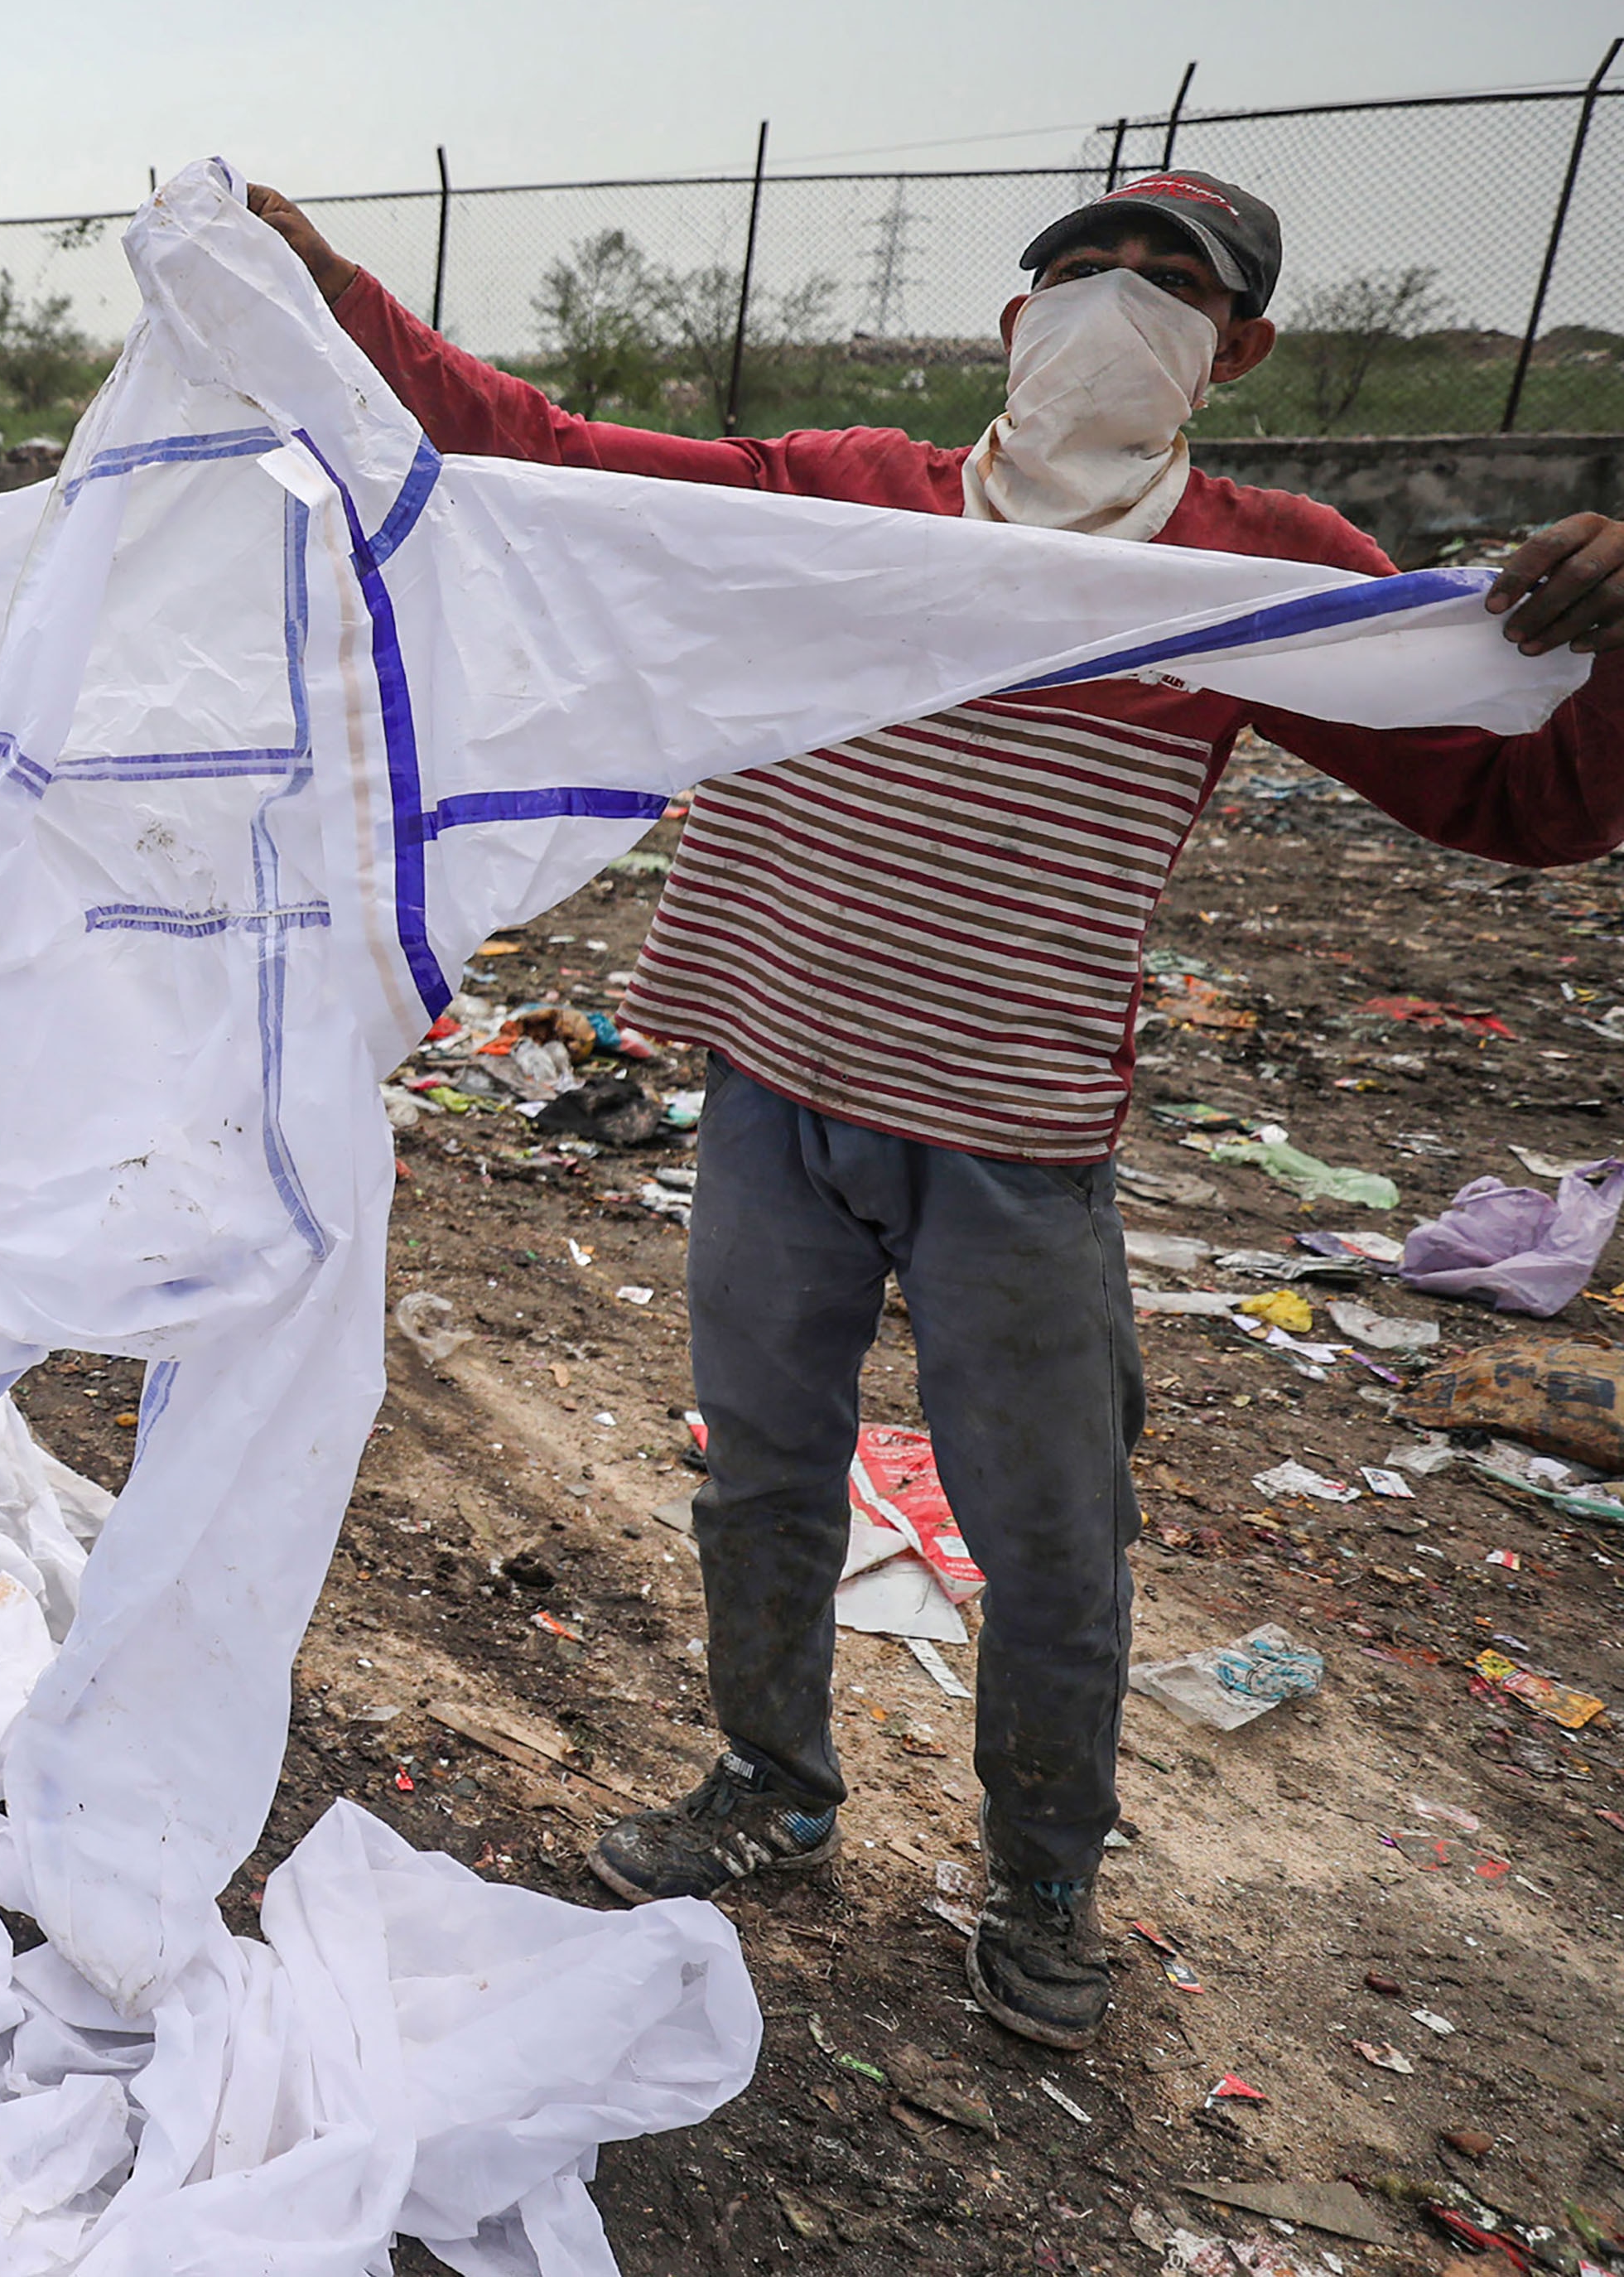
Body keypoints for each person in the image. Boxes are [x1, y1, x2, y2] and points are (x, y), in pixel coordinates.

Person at [243, 167, 1624, 2052]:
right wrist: (334, 302)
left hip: (1013, 1145)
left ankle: (1042, 1881)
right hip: (769, 1099)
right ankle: (772, 1783)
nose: (1107, 307)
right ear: (1008, 319)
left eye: (1164, 287)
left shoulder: (1246, 576)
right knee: (759, 1477)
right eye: (1078, 271)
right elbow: (544, 456)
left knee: (1046, 1540)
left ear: (1235, 349)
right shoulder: (845, 503)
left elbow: (1515, 803)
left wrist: (1609, 637)